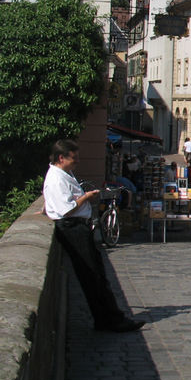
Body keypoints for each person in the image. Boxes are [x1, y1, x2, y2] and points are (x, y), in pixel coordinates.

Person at [42, 139, 144, 332]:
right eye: (74, 158)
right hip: (72, 228)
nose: (77, 161)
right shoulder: (56, 177)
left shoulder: (63, 173)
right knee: (94, 276)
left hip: (76, 227)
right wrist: (86, 198)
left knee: (95, 275)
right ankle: (112, 319)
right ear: (61, 158)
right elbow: (66, 209)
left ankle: (107, 318)